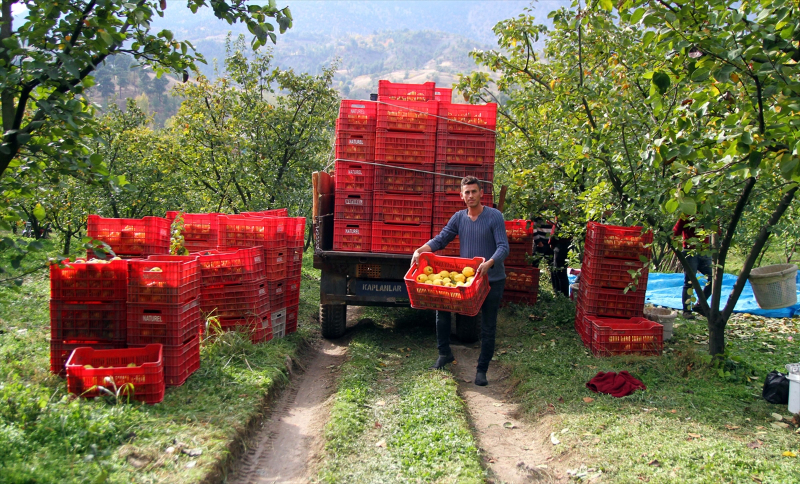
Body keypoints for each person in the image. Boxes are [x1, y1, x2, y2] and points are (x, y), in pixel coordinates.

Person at [411, 176, 509, 386]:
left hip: (492, 279)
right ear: (461, 196)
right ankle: (444, 353)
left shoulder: (494, 216)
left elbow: (503, 247)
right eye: (467, 192)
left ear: (482, 193)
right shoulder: (459, 218)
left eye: (474, 191)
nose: (471, 196)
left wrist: (489, 263)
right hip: (467, 282)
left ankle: (482, 370)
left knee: (488, 326)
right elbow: (441, 239)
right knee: (441, 309)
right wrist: (420, 250)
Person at [673, 215, 713, 319]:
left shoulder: (709, 214)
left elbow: (717, 232)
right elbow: (675, 233)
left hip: (705, 251)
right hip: (690, 252)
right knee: (690, 281)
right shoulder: (686, 214)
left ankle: (700, 305)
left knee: (713, 278)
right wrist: (677, 250)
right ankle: (687, 311)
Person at [533, 218, 570, 297]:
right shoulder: (538, 209)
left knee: (554, 269)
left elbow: (556, 227)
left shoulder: (557, 210)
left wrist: (552, 241)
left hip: (552, 242)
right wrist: (538, 242)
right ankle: (532, 290)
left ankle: (557, 293)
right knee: (534, 267)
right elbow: (532, 225)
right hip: (541, 242)